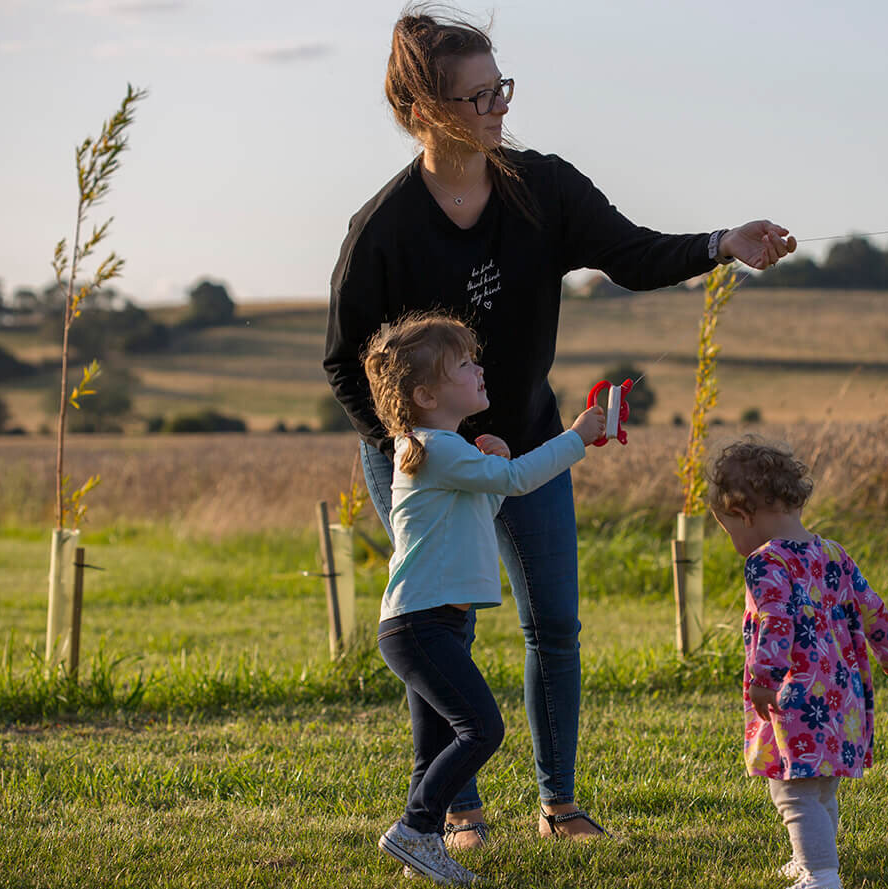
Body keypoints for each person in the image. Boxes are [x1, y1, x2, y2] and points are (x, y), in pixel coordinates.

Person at [325, 6, 797, 845]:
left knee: (555, 624)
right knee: (445, 631)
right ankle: (454, 812)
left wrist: (727, 241)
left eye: (500, 86)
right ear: (426, 111)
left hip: (533, 441)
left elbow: (635, 253)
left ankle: (560, 804)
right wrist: (403, 442)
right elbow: (341, 360)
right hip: (422, 458)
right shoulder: (384, 229)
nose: (499, 106)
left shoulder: (541, 187)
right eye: (478, 96)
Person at [363, 314, 607, 885]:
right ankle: (416, 827)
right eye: (465, 365)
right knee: (482, 730)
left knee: (436, 744)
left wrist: (493, 465)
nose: (479, 369)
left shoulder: (443, 450)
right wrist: (576, 439)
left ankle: (419, 852)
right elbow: (520, 482)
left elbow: (486, 505)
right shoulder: (431, 448)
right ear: (426, 395)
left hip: (427, 623)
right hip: (420, 625)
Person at [707, 439, 888, 889]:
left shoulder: (766, 562)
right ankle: (811, 858)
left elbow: (775, 621)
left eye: (727, 528)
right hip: (841, 695)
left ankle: (821, 875)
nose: (733, 542)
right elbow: (872, 606)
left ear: (745, 515)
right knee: (820, 788)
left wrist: (763, 677)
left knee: (793, 790)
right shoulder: (833, 553)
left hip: (796, 694)